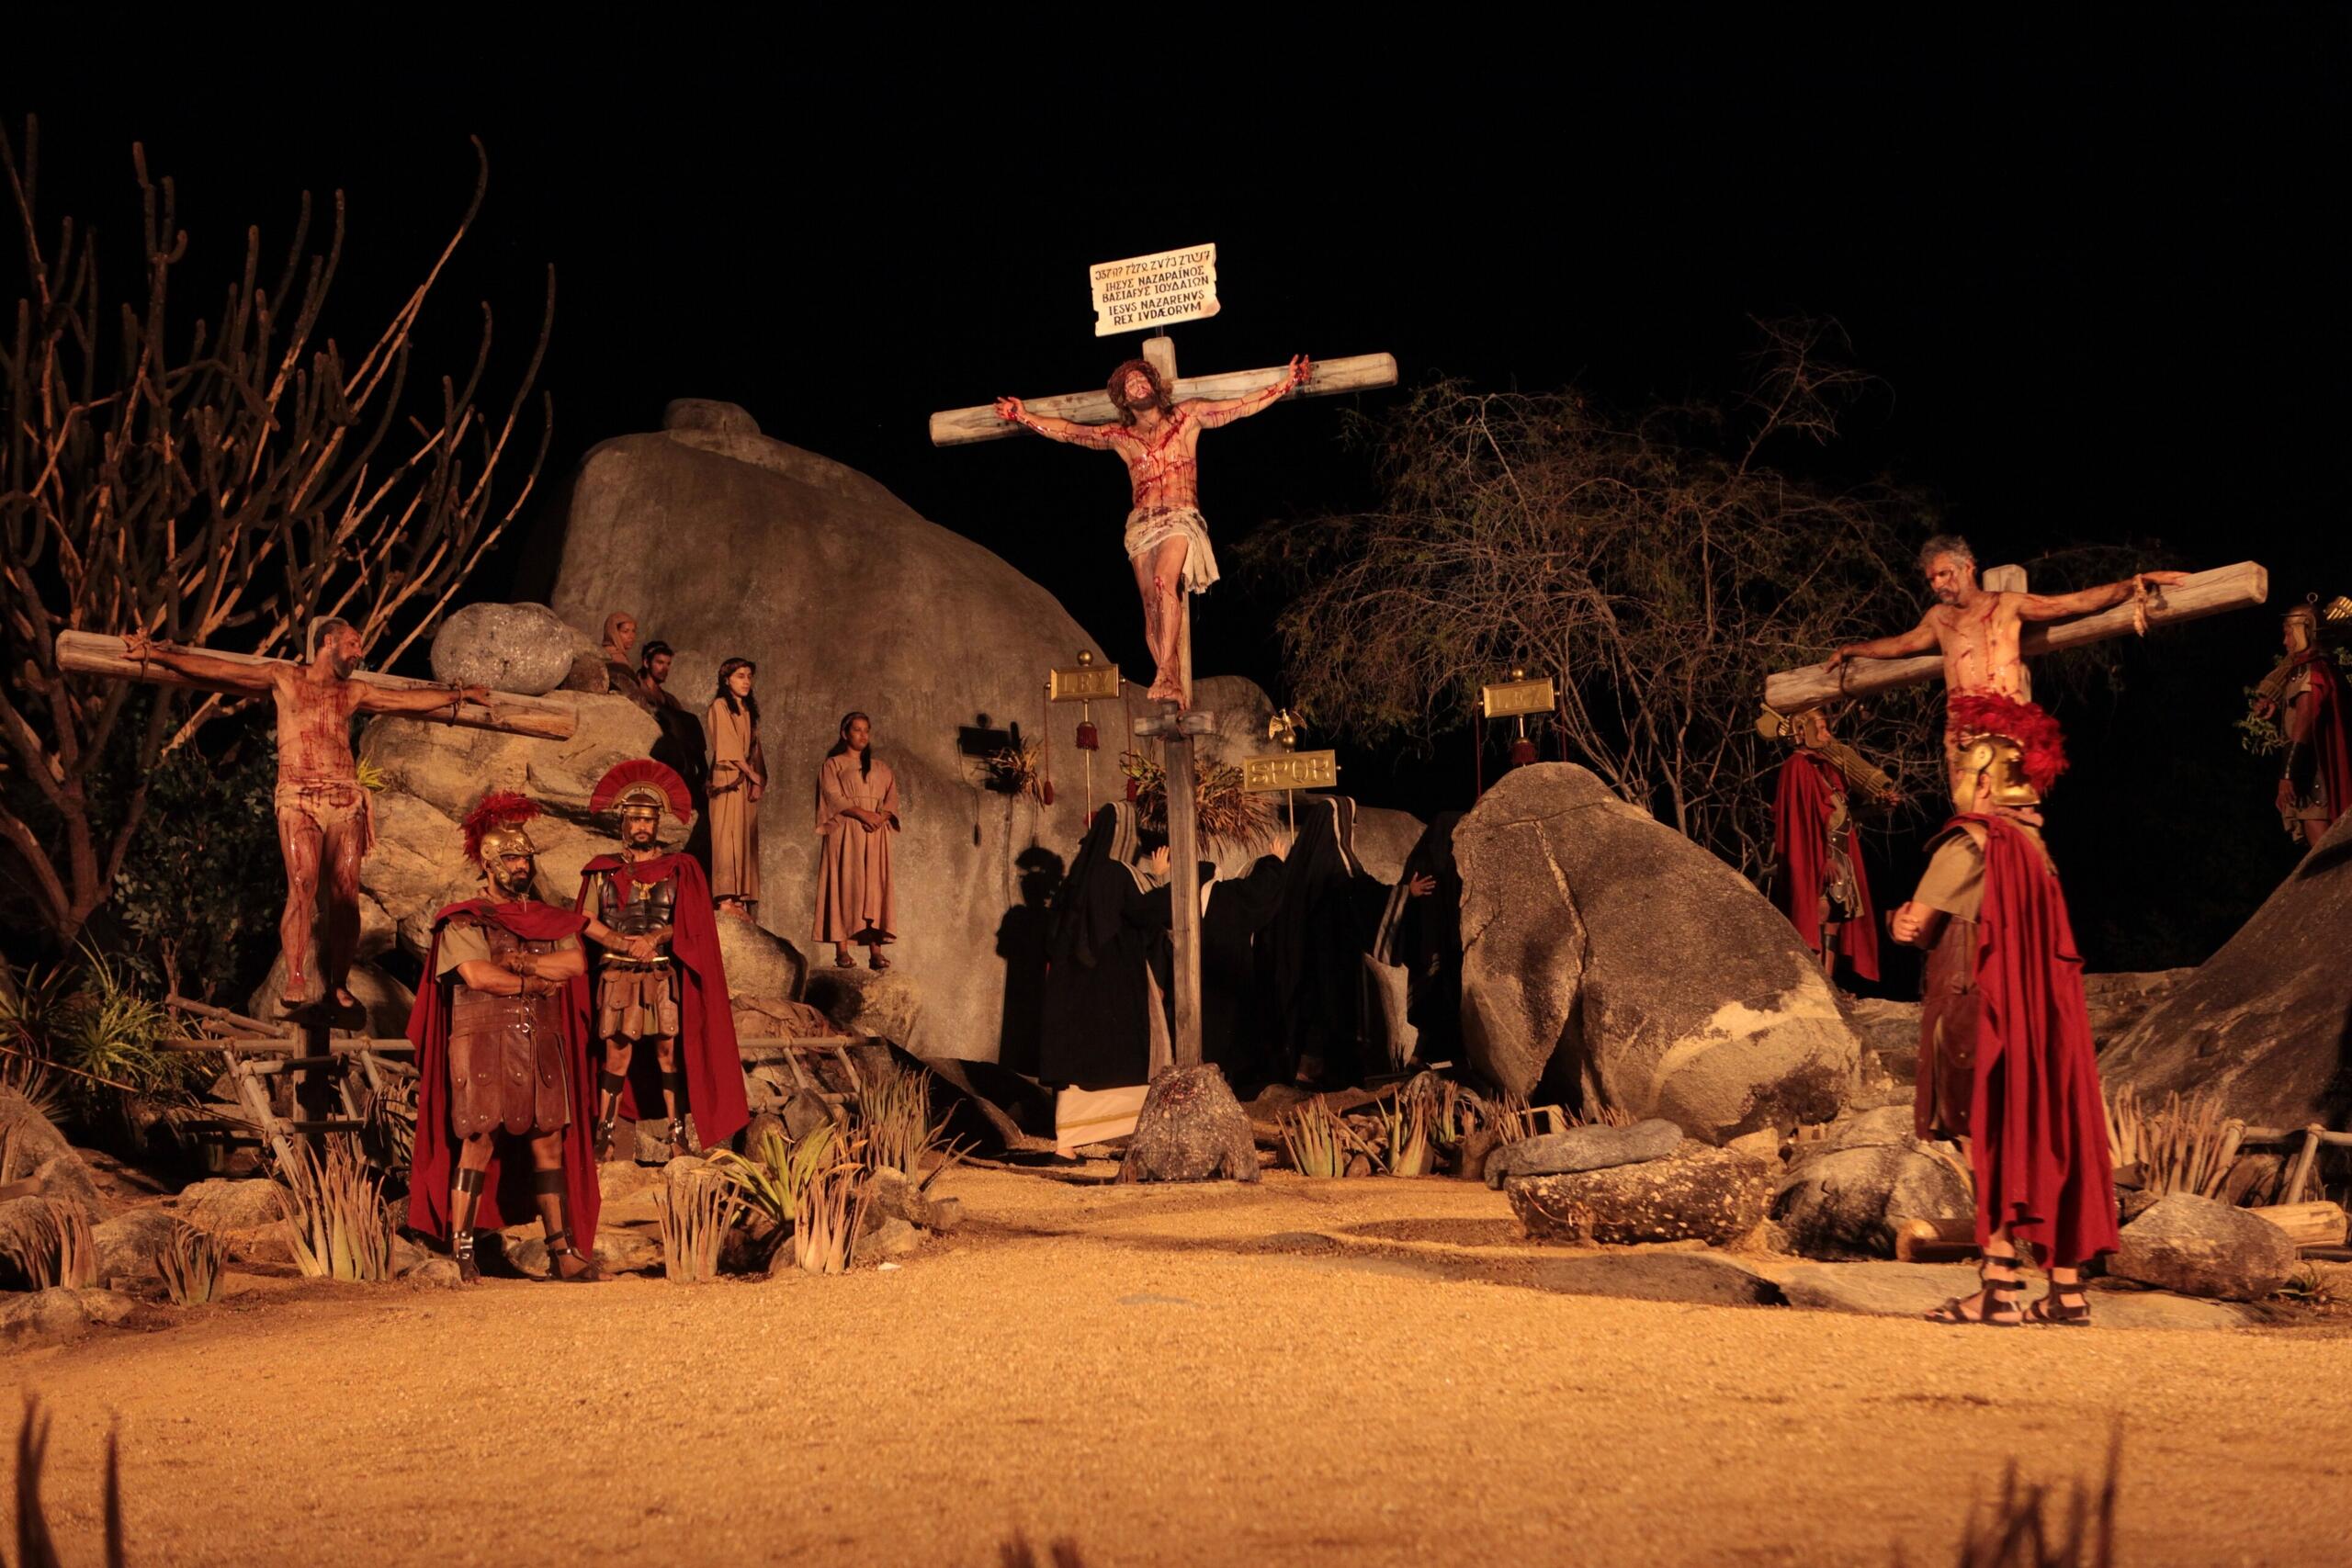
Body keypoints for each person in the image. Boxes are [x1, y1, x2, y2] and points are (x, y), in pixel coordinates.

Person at [1889, 694, 2118, 1326]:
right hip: (2045, 1022)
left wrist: (1896, 921)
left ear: (1987, 780)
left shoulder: (1969, 843)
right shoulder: (2037, 849)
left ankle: (1999, 1288)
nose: (1961, 781)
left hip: (1981, 1013)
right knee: (2048, 1136)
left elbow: (1916, 926)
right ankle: (2066, 1292)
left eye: (1965, 770)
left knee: (1987, 1139)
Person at [123, 619, 489, 1011]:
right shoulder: (285, 678)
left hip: (344, 797)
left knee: (345, 892)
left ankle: (339, 982)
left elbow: (404, 700)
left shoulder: (353, 691)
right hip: (298, 796)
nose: (359, 652)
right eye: (353, 643)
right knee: (302, 882)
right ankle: (296, 974)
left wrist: (459, 694)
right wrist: (157, 653)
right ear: (328, 641)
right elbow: (222, 670)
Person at [994, 354, 1312, 705]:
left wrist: (1287, 383)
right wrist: (1023, 416)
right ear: (1124, 399)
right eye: (1129, 384)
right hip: (1141, 525)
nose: (1137, 385)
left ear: (1154, 385)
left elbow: (1240, 406)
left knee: (1163, 582)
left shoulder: (1186, 417)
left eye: (1141, 379)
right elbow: (1071, 432)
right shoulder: (1122, 437)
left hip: (1179, 515)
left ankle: (1166, 672)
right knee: (1150, 602)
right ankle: (1165, 674)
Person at [404, 792, 609, 1283]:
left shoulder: (549, 918)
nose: (521, 866)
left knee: (549, 1142)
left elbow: (574, 963)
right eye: (512, 859)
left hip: (542, 1040)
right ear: (489, 864)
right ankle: (462, 1250)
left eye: (525, 858)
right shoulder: (464, 918)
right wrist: (532, 983)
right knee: (477, 1140)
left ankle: (562, 1252)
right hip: (482, 1044)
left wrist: (522, 963)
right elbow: (477, 975)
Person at [1824, 536, 2188, 790]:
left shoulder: (2007, 604)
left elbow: (2073, 603)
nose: (1937, 584)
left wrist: (2136, 582)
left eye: (1944, 573)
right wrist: (1853, 649)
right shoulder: (1938, 619)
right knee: (1970, 823)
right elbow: (1901, 645)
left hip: (2008, 725)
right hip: (1962, 733)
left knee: (2011, 822)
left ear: (1968, 567)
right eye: (1932, 578)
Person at [574, 760, 751, 1162]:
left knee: (668, 1052)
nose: (642, 826)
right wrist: (619, 940)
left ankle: (677, 1136)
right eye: (635, 819)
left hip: (660, 972)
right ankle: (605, 1136)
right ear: (623, 821)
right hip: (617, 973)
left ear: (657, 824)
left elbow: (691, 921)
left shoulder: (679, 869)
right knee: (617, 1053)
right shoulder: (602, 871)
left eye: (649, 820)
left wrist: (653, 938)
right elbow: (585, 920)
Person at [1267, 796, 1408, 1089]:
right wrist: (1406, 893)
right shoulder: (1339, 863)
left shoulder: (1299, 863)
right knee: (1335, 1015)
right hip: (1333, 959)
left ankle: (1305, 1073)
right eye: (1350, 825)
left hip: (1303, 960)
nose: (1352, 831)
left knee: (1312, 1015)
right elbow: (1365, 895)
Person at [1037, 803, 1171, 1092]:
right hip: (1114, 977)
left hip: (1077, 981)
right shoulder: (1118, 873)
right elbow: (1147, 913)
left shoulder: (1078, 877)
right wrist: (1159, 877)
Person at [1769, 706, 1883, 986]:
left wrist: (1878, 807)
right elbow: (1804, 819)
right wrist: (1824, 858)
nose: (1826, 734)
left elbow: (1841, 816)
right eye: (1820, 728)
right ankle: (1814, 984)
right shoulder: (1796, 767)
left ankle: (1828, 983)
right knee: (1818, 911)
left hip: (1840, 855)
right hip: (1819, 855)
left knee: (1835, 918)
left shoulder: (1825, 769)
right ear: (1802, 731)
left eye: (1825, 728)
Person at [2252, 600, 2349, 851]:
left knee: (2325, 856)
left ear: (2302, 632)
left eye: (2288, 634)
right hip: (2318, 769)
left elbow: (2305, 718)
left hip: (2314, 776)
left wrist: (2288, 775)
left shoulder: (2310, 670)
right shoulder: (2325, 667)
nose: (2285, 642)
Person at [1374, 813, 1463, 1070]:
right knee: (1445, 1000)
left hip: (1426, 948)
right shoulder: (1446, 861)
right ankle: (1426, 1059)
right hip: (1442, 946)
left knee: (1436, 1003)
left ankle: (1437, 1059)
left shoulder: (1420, 859)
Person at [815, 712, 900, 969]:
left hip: (875, 834)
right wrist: (863, 814)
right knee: (845, 884)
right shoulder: (833, 765)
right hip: (847, 831)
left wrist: (880, 817)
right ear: (845, 733)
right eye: (857, 730)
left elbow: (892, 799)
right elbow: (833, 796)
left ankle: (875, 951)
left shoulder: (881, 767)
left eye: (866, 730)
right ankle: (842, 950)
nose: (863, 735)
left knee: (874, 887)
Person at [706, 658, 765, 918]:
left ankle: (740, 897)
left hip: (744, 783)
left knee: (743, 836)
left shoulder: (748, 710)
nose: (746, 681)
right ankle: (725, 897)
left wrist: (758, 780)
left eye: (749, 676)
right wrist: (751, 774)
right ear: (726, 679)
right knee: (726, 836)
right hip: (727, 779)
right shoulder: (720, 706)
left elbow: (755, 749)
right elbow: (727, 745)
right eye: (740, 676)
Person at [600, 612, 641, 695]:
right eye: (625, 631)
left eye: (633, 631)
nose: (631, 636)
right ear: (613, 632)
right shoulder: (614, 655)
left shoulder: (613, 653)